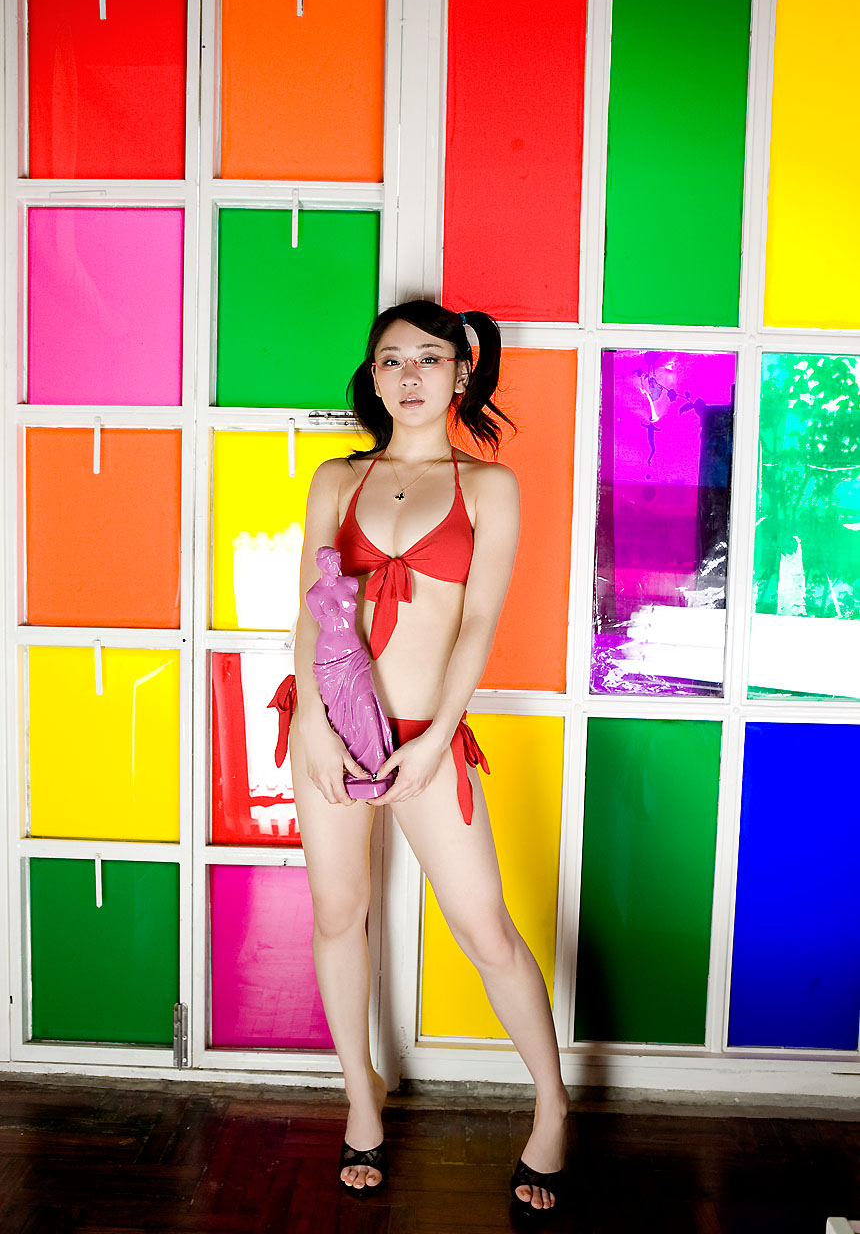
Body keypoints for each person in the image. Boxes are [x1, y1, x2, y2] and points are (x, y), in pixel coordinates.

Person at [285, 300, 569, 1215]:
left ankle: (552, 1106)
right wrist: (315, 726)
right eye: (392, 360)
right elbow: (311, 610)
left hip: (426, 737)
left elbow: (479, 622)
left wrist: (438, 740)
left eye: (429, 359)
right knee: (340, 915)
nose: (409, 376)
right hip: (331, 726)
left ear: (460, 373)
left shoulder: (489, 486)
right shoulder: (337, 477)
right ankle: (361, 1100)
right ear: (372, 378)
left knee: (485, 929)